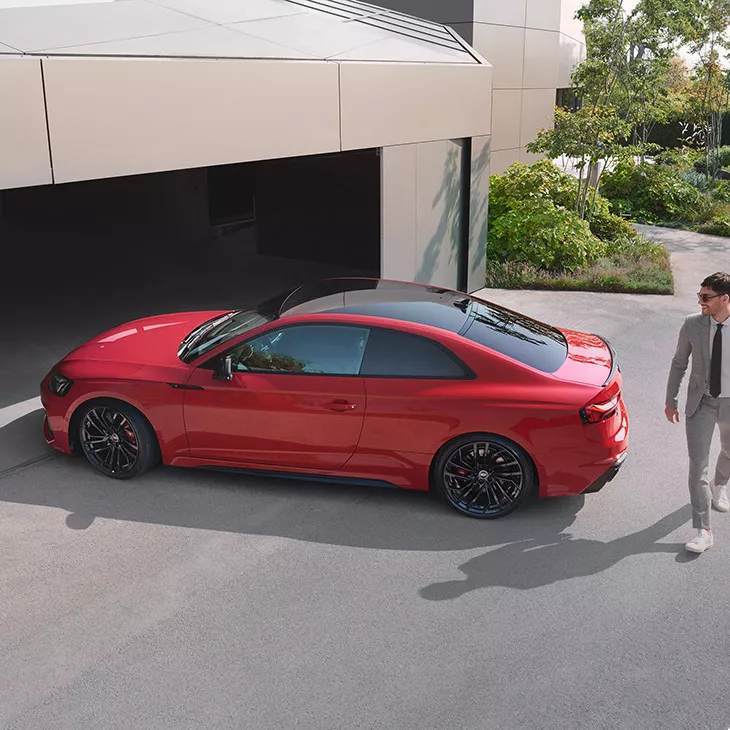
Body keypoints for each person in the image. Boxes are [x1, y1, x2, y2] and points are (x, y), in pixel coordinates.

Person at [666, 272, 730, 553]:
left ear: (725, 299)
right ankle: (704, 529)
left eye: (706, 297)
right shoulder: (692, 324)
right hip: (701, 402)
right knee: (697, 466)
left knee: (729, 452)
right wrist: (671, 399)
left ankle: (722, 483)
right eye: (699, 296)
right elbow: (679, 362)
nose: (700, 301)